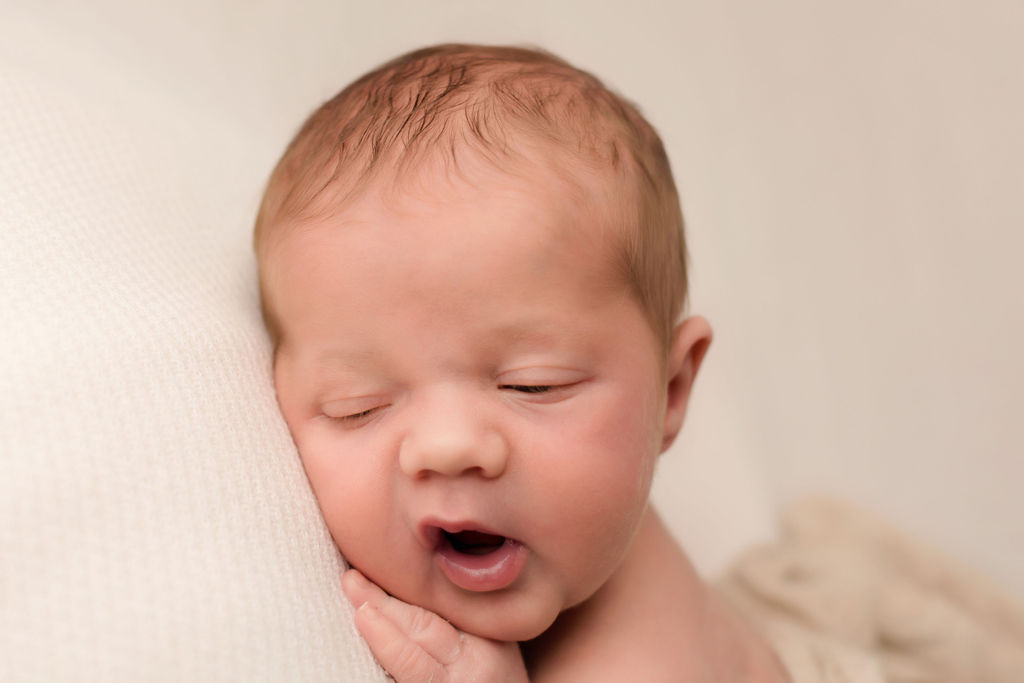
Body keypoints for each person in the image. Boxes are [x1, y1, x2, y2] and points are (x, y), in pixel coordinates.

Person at [253, 43, 788, 681]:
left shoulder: (652, 661)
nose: (448, 447)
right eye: (357, 405)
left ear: (670, 391)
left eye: (533, 385)